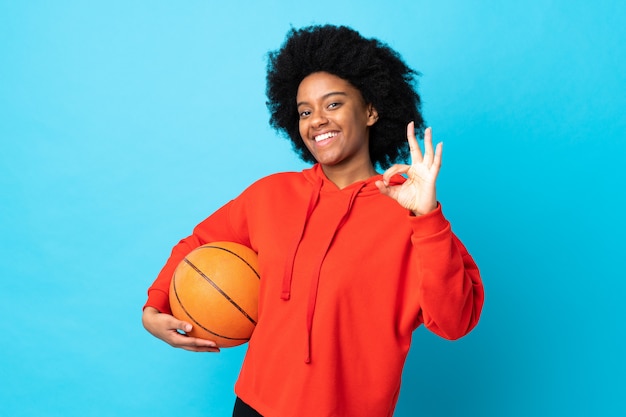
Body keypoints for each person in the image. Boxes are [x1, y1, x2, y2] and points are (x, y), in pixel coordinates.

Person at [142, 24, 484, 417]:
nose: (317, 120)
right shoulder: (270, 195)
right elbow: (198, 243)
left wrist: (427, 219)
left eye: (333, 104)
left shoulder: (410, 213)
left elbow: (457, 320)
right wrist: (156, 308)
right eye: (305, 111)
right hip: (254, 406)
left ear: (371, 110)